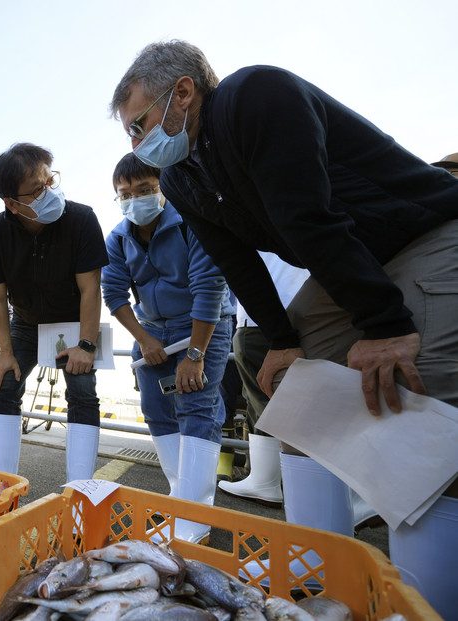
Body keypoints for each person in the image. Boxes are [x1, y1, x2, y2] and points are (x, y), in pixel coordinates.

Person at [110, 40, 458, 614]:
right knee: (297, 396)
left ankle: (423, 601)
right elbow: (237, 260)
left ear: (184, 92)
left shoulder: (255, 95)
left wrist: (384, 324)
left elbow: (308, 216)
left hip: (420, 234)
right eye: (129, 133)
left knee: (423, 407)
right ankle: (318, 588)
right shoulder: (180, 179)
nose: (137, 141)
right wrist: (282, 340)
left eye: (139, 123)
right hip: (344, 258)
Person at [102, 153, 234, 542]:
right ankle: (182, 499)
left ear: (164, 188)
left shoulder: (191, 222)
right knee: (157, 409)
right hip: (153, 331)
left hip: (202, 324)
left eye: (145, 189)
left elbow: (209, 288)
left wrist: (195, 354)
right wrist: (144, 339)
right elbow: (114, 293)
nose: (134, 199)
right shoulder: (117, 237)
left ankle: (195, 521)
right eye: (125, 193)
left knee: (195, 406)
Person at [0, 143, 108, 482]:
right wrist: (5, 352)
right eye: (37, 190)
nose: (49, 192)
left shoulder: (81, 219)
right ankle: (3, 489)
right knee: (3, 382)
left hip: (75, 321)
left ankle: (80, 489)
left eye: (50, 181)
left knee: (81, 391)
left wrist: (87, 344)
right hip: (25, 322)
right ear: (12, 203)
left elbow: (90, 288)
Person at [217, 253, 308, 506]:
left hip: (260, 319)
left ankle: (265, 480)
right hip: (314, 311)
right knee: (309, 403)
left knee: (263, 400)